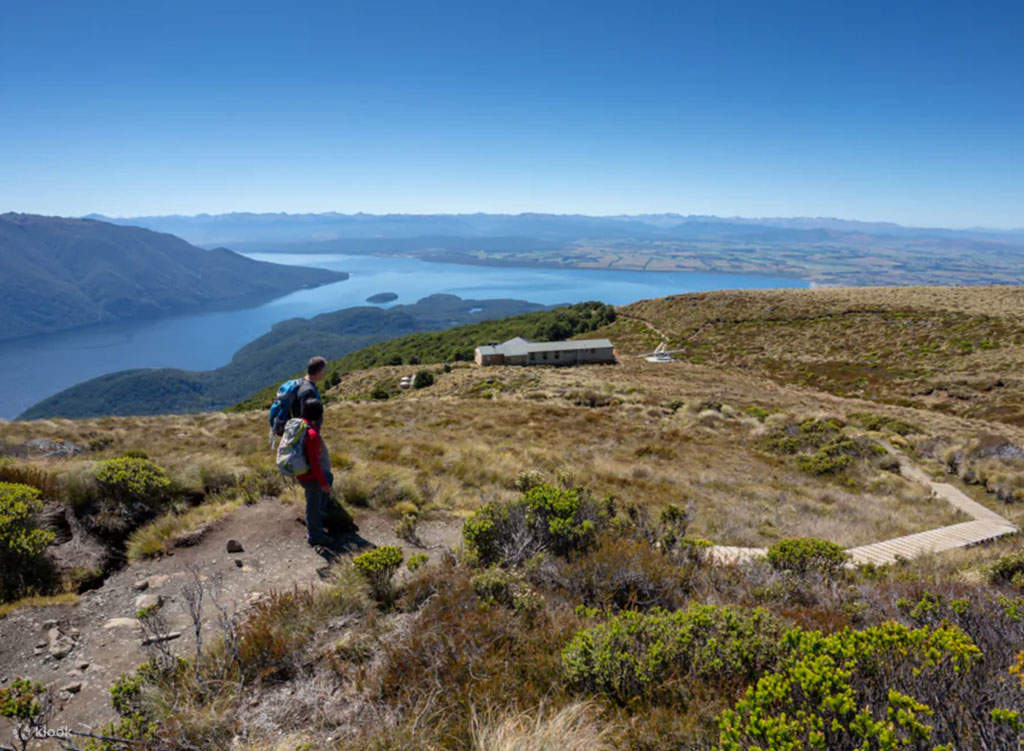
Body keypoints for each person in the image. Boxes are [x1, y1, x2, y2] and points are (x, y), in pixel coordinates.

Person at [295, 398, 334, 552]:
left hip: (300, 472)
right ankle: (315, 535)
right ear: (318, 415)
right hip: (309, 475)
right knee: (314, 503)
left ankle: (316, 519)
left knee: (315, 499)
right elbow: (315, 463)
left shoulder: (299, 426)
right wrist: (323, 483)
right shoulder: (311, 434)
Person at [292, 356, 327, 421]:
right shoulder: (308, 391)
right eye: (323, 370)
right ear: (318, 372)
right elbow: (305, 417)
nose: (324, 373)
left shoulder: (302, 383)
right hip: (304, 430)